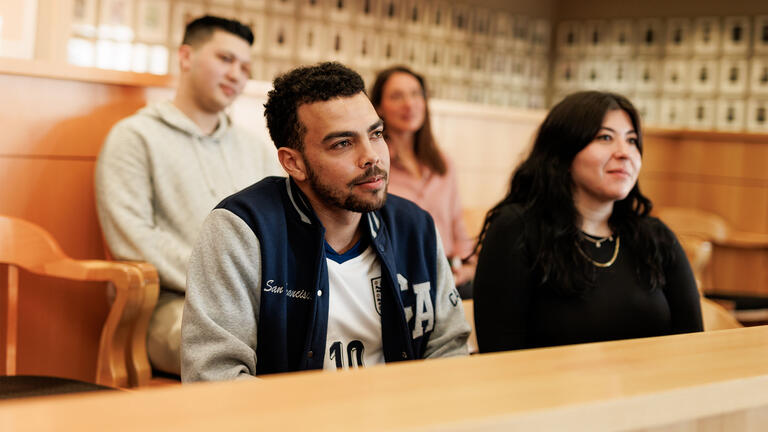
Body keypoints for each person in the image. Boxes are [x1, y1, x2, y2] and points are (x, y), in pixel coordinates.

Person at [181, 62, 470, 381]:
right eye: (342, 144)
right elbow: (214, 377)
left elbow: (449, 349)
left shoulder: (415, 227)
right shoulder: (242, 229)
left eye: (376, 134)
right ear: (294, 162)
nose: (371, 156)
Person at [95, 15, 281, 376]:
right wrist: (221, 283)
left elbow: (279, 231)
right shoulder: (134, 137)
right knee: (241, 348)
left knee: (320, 333)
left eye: (245, 66)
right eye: (225, 59)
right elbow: (132, 238)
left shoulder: (255, 148)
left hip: (255, 302)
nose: (236, 74)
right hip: (168, 308)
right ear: (185, 57)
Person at [473, 91, 703, 353]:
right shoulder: (517, 230)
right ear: (563, 151)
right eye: (605, 138)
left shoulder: (655, 238)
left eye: (632, 140)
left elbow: (693, 346)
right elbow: (500, 354)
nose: (625, 153)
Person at [370, 66, 475, 299]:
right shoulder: (374, 165)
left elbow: (457, 222)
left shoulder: (442, 163)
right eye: (397, 96)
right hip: (398, 275)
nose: (409, 104)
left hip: (448, 272)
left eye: (416, 94)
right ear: (378, 107)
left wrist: (469, 266)